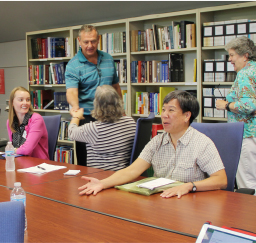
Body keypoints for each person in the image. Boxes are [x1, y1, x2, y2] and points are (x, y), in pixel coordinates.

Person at [78, 90, 227, 199]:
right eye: (163, 110)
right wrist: (102, 184)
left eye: (171, 110)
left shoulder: (202, 143)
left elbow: (221, 180)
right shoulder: (157, 142)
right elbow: (132, 170)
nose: (164, 115)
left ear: (187, 116)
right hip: (162, 202)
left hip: (191, 205)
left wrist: (190, 185)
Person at [65, 24, 122, 166]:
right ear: (79, 41)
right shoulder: (73, 65)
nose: (90, 45)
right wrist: (76, 108)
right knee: (86, 161)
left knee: (111, 158)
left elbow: (115, 86)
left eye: (93, 41)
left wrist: (122, 109)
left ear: (98, 40)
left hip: (111, 116)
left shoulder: (108, 59)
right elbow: (72, 91)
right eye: (86, 42)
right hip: (87, 117)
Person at [215, 36, 256, 192]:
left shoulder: (245, 74)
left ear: (245, 55)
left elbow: (248, 105)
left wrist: (225, 105)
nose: (230, 59)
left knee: (248, 183)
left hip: (247, 134)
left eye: (232, 55)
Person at [68, 85, 136, 171]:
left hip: (99, 177)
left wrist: (76, 116)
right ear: (119, 101)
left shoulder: (94, 129)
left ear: (96, 105)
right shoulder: (130, 122)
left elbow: (71, 133)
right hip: (123, 176)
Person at [7, 86, 49, 160]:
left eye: (28, 100)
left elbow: (26, 150)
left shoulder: (36, 119)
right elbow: (12, 146)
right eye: (21, 100)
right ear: (12, 103)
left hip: (37, 164)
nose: (25, 103)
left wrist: (13, 151)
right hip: (19, 161)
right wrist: (13, 151)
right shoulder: (10, 122)